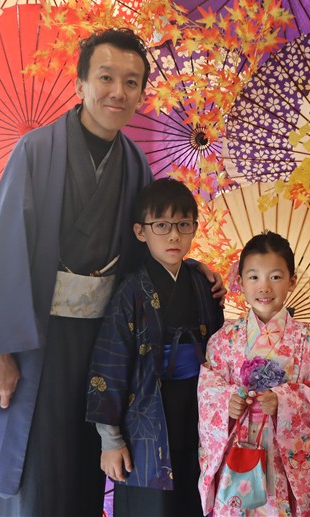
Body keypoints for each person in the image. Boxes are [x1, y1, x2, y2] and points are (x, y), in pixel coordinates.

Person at [0, 28, 223, 516]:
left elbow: (147, 246)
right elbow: (0, 253)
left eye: (131, 82)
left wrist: (189, 268)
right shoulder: (36, 152)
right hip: (36, 341)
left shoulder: (134, 163)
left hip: (106, 342)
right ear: (81, 83)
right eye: (106, 78)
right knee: (37, 474)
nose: (117, 92)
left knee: (87, 468)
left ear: (141, 94)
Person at [86, 178, 224, 516]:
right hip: (146, 417)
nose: (174, 235)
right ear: (140, 231)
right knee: (151, 507)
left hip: (198, 412)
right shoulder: (130, 291)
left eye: (183, 225)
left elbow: (222, 351)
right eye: (161, 225)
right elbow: (110, 363)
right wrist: (110, 440)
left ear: (194, 228)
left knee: (196, 500)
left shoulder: (203, 284)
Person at [197, 231, 310, 516]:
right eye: (254, 277)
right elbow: (208, 390)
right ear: (240, 281)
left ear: (292, 281)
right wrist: (227, 402)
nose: (264, 287)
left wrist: (283, 401)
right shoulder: (223, 340)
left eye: (276, 277)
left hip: (281, 456)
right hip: (237, 449)